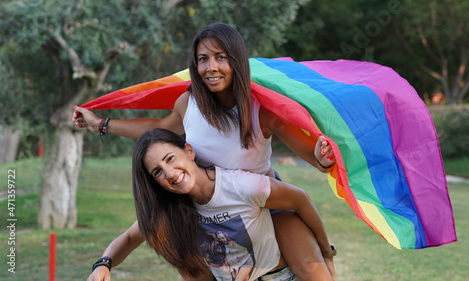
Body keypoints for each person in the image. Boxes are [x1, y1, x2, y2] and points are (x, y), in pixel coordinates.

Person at [77, 23, 337, 280]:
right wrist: (99, 124)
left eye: (220, 57)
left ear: (236, 60)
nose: (211, 67)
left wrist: (322, 159)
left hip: (266, 201)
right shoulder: (188, 103)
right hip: (207, 207)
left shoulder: (262, 109)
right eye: (203, 59)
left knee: (314, 271)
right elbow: (157, 129)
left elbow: (314, 159)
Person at [137, 128, 334, 280]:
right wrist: (105, 261)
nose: (170, 173)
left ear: (189, 151)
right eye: (157, 172)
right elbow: (130, 237)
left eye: (170, 159)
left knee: (287, 222)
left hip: (280, 266)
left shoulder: (244, 187)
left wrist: (327, 251)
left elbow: (301, 198)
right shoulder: (172, 214)